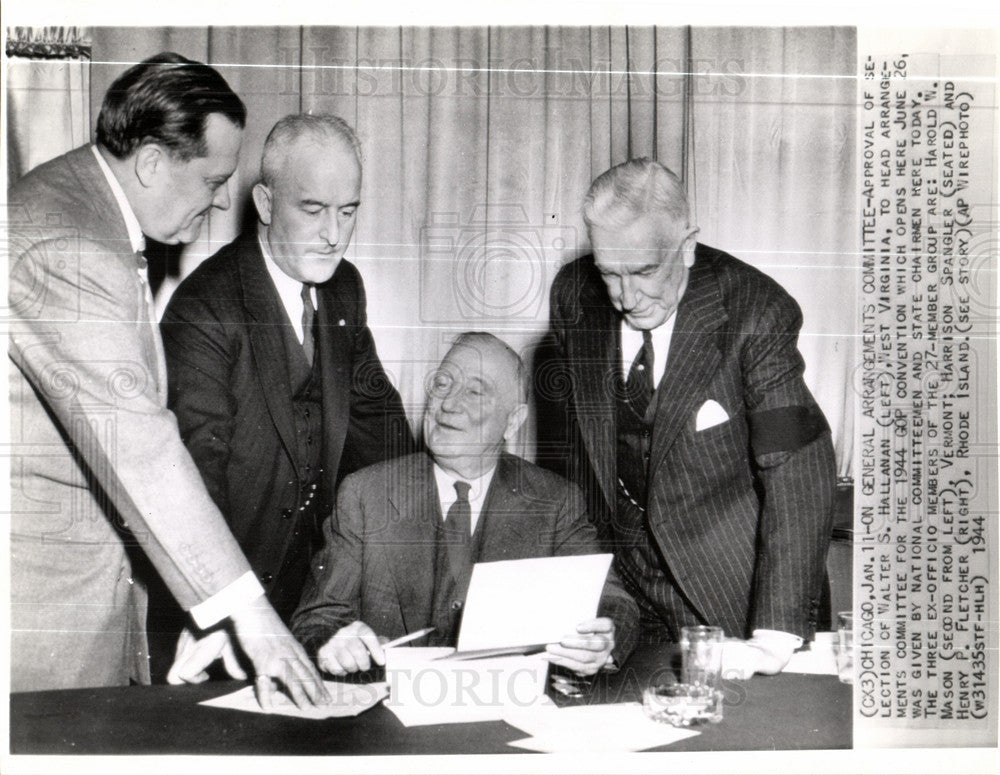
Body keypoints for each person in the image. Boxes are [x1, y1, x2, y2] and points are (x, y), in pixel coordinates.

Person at [7, 52, 328, 708]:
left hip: (88, 596)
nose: (218, 202)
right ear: (152, 162)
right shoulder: (66, 243)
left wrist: (206, 609)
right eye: (213, 180)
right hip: (39, 615)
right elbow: (139, 447)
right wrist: (251, 615)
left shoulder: (80, 210)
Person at [535, 158, 836, 677]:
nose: (626, 298)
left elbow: (798, 471)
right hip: (622, 602)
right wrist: (586, 602)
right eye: (610, 272)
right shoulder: (573, 296)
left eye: (646, 271)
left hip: (732, 601)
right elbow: (573, 465)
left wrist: (773, 635)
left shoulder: (756, 312)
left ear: (688, 244)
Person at [160, 114, 414, 631]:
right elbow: (192, 489)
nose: (334, 235)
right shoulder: (206, 308)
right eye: (314, 210)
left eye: (348, 211)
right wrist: (229, 616)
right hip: (224, 607)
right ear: (266, 204)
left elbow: (380, 433)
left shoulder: (344, 289)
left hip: (315, 602)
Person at [292, 333, 639, 677]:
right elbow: (317, 618)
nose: (448, 404)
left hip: (506, 714)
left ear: (513, 421)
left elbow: (612, 601)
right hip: (390, 715)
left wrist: (603, 642)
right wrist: (333, 642)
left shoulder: (553, 501)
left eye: (474, 391)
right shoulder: (365, 494)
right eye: (442, 384)